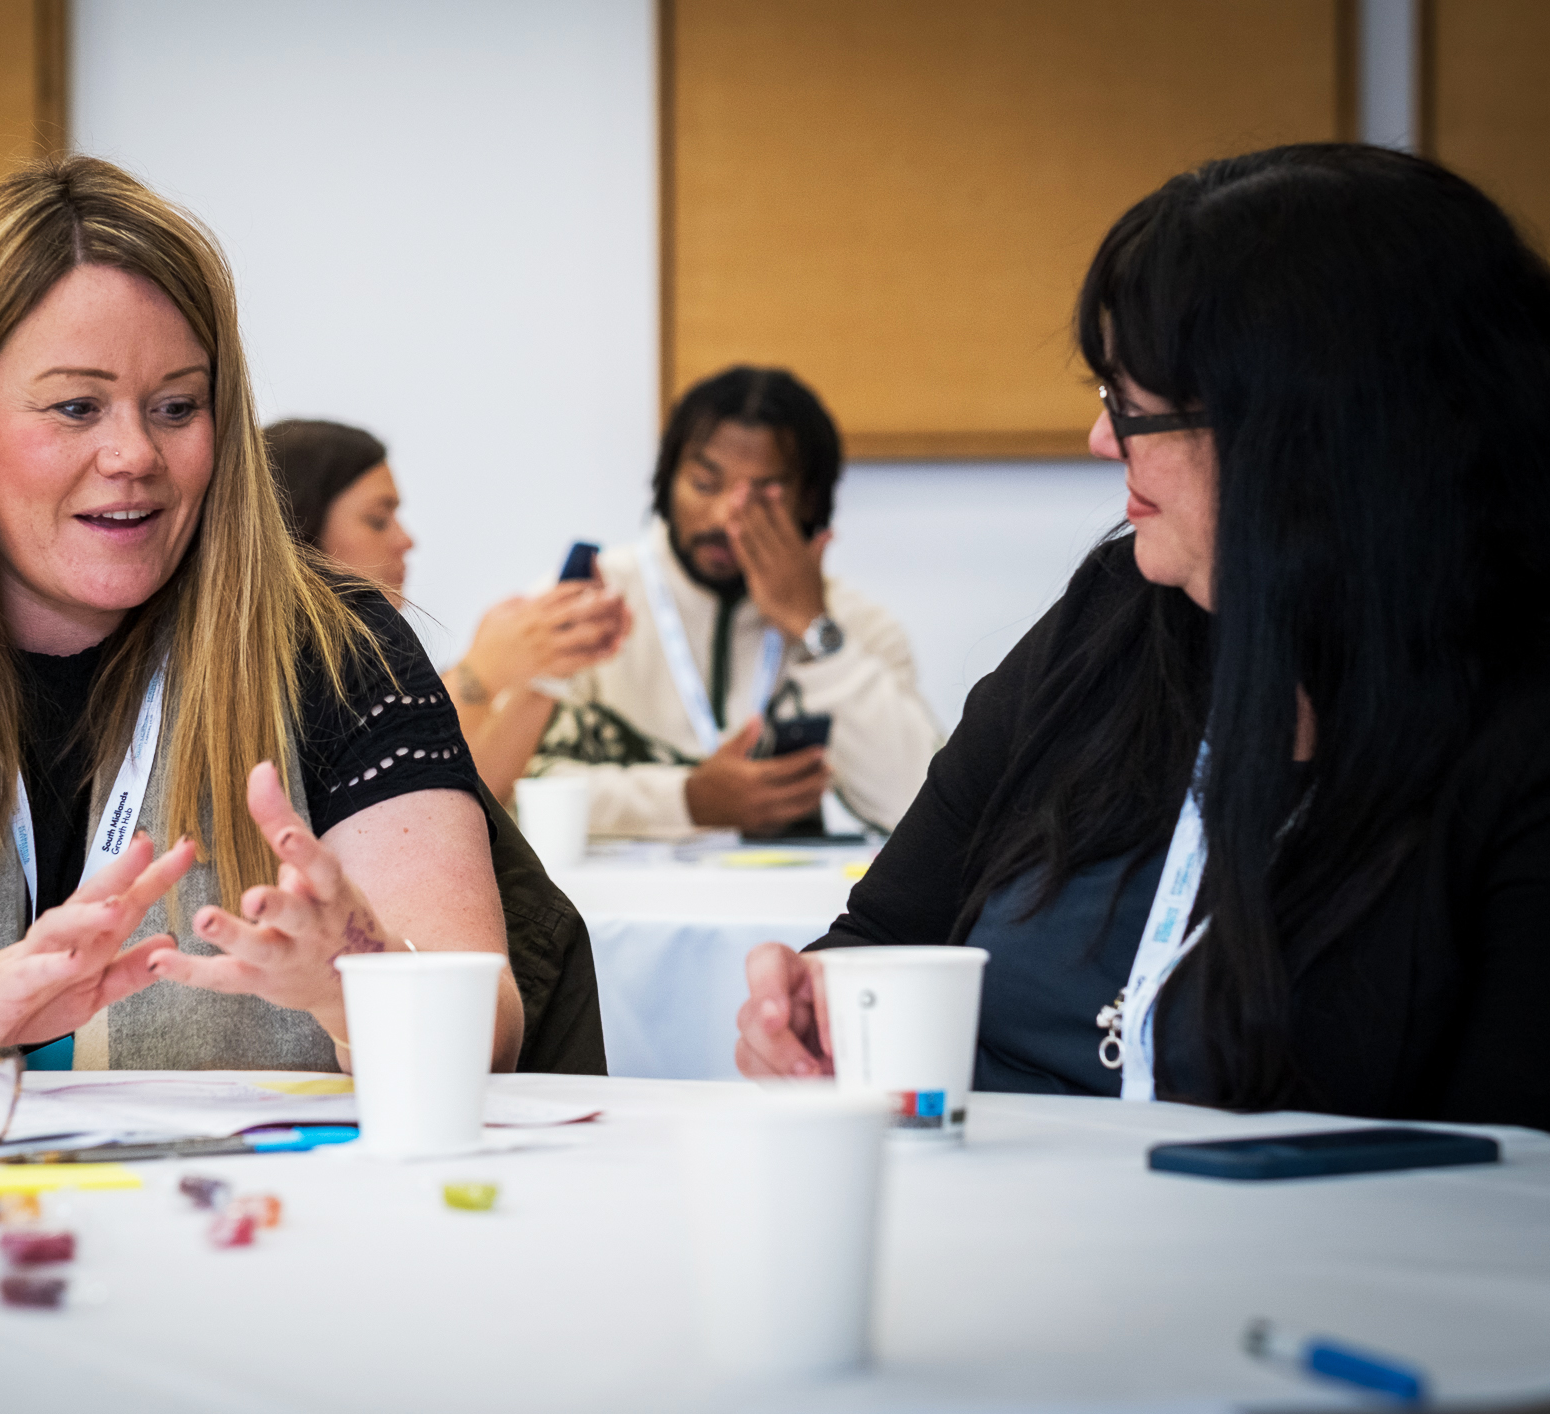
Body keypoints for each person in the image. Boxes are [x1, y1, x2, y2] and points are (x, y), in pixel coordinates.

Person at [736, 144, 1550, 1131]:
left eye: (1137, 407)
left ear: (1318, 438)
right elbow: (879, 939)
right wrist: (815, 1010)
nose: (1100, 440)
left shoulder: (1512, 737)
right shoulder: (1113, 619)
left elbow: (1511, 1195)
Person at [0, 156, 524, 1078]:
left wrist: (351, 981)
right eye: (76, 406)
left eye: (177, 407)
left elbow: (490, 1025)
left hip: (250, 1209)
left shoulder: (338, 651)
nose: (134, 454)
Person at [528, 367, 942, 837]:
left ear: (809, 501)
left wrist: (813, 627)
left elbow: (922, 808)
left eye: (765, 494)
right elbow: (512, 793)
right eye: (705, 484)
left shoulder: (856, 626)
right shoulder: (589, 600)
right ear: (667, 482)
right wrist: (686, 801)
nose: (728, 515)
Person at [265, 417, 631, 802]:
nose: (406, 539)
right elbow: (410, 787)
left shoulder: (373, 656)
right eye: (378, 519)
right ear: (296, 528)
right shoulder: (275, 673)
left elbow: (474, 795)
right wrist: (481, 672)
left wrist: (550, 669)